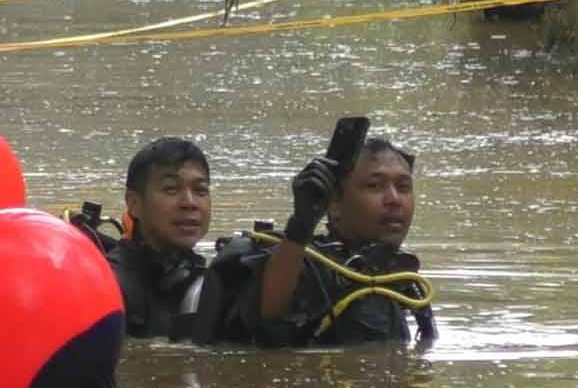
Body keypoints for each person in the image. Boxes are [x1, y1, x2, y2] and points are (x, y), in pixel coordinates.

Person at [198, 135, 436, 347]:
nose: (394, 199)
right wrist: (302, 222)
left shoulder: (400, 280)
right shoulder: (307, 264)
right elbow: (269, 316)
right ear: (334, 203)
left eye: (403, 187)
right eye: (374, 186)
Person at [105, 137, 211, 338]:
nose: (189, 203)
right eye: (171, 189)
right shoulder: (110, 289)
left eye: (200, 190)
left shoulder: (204, 282)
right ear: (134, 203)